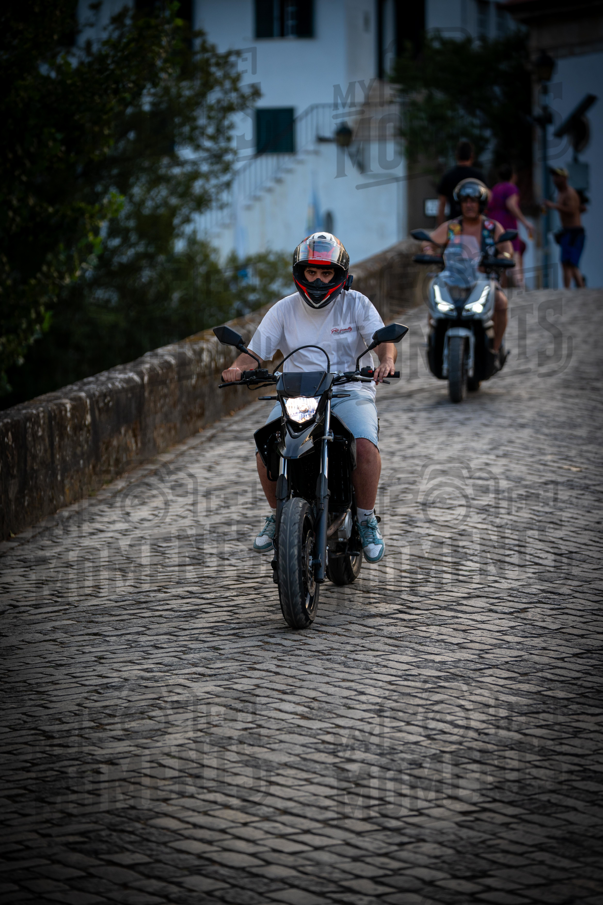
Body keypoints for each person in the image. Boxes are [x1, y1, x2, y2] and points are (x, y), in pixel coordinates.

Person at [221, 232, 397, 564]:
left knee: (363, 445)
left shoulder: (356, 303)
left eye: (325, 273)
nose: (317, 279)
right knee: (266, 445)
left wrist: (386, 360)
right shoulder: (283, 309)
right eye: (311, 271)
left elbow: (383, 339)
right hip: (297, 394)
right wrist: (236, 368)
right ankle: (278, 514)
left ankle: (365, 519)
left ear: (339, 274)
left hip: (349, 390)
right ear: (300, 272)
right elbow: (255, 354)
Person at [421, 179, 514, 366]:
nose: (469, 205)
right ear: (460, 204)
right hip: (453, 279)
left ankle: (496, 350)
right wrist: (429, 251)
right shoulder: (453, 227)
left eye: (473, 201)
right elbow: (429, 242)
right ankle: (434, 340)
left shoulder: (491, 227)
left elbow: (507, 247)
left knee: (501, 302)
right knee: (434, 294)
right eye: (465, 201)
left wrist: (503, 256)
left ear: (481, 203)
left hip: (483, 279)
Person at [486, 164, 533, 290]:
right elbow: (511, 204)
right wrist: (525, 223)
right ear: (513, 176)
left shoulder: (495, 188)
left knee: (499, 253)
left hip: (494, 225)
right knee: (514, 253)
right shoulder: (511, 188)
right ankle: (520, 285)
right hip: (507, 224)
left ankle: (500, 286)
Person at [545, 167, 586, 288]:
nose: (555, 179)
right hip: (567, 231)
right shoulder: (561, 193)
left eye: (558, 176)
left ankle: (569, 289)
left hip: (574, 232)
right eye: (554, 176)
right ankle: (578, 289)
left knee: (569, 263)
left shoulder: (570, 193)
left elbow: (572, 210)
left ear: (564, 178)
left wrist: (554, 206)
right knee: (568, 263)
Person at [436, 139, 488, 225]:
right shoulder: (478, 175)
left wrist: (440, 226)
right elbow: (488, 197)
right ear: (472, 156)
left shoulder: (448, 176)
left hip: (455, 225)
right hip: (475, 225)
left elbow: (442, 204)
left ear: (457, 156)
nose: (468, 205)